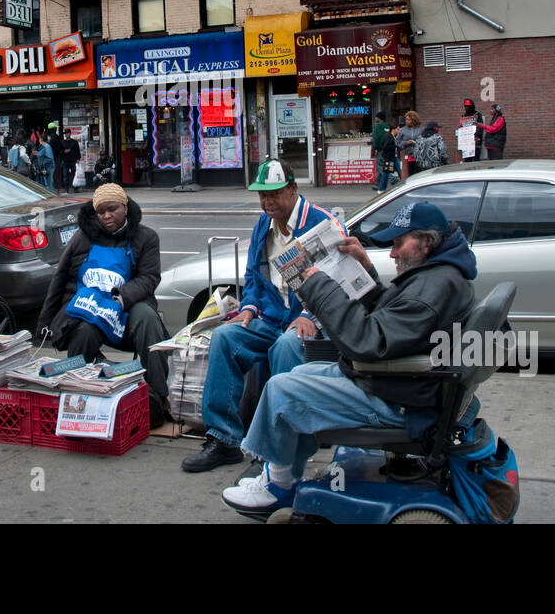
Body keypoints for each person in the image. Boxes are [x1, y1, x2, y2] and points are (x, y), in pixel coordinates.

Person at [221, 201, 477, 514]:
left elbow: (367, 342)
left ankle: (278, 487)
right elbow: (392, 320)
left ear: (425, 242)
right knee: (299, 375)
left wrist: (318, 285)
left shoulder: (434, 287)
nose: (393, 253)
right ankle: (284, 475)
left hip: (400, 399)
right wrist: (366, 269)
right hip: (403, 385)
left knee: (281, 390)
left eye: (398, 244)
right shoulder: (436, 274)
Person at [181, 158, 344, 473]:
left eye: (275, 194)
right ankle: (224, 439)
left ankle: (278, 452)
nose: (268, 202)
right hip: (272, 317)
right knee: (225, 338)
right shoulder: (262, 224)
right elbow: (253, 274)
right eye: (262, 195)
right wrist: (249, 307)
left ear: (293, 189)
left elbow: (341, 282)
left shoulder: (323, 224)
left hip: (313, 323)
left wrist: (312, 314)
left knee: (286, 346)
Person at [37, 184, 171, 428]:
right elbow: (60, 278)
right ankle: (77, 397)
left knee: (147, 319)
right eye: (101, 212)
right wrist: (46, 324)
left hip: (127, 307)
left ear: (126, 208)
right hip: (89, 309)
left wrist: (122, 299)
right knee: (84, 333)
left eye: (113, 209)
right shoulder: (82, 238)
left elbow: (149, 278)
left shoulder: (146, 237)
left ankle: (157, 396)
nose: (107, 216)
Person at [396, 111, 425, 176]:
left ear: (414, 120)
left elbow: (425, 141)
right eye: (406, 119)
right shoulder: (402, 130)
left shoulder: (421, 129)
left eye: (408, 120)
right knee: (408, 175)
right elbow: (397, 142)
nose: (406, 121)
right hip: (407, 156)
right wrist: (406, 143)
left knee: (418, 175)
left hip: (419, 156)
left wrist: (418, 143)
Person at [376, 120, 401, 192]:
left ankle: (381, 189)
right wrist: (395, 146)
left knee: (388, 173)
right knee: (386, 173)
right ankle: (381, 189)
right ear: (393, 129)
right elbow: (386, 147)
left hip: (393, 157)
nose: (398, 131)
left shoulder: (391, 136)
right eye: (397, 129)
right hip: (389, 158)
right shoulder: (389, 136)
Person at [456, 99, 483, 163]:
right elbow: (460, 127)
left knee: (475, 160)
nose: (466, 108)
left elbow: (480, 126)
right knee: (467, 160)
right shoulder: (464, 116)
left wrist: (476, 135)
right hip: (466, 143)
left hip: (474, 142)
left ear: (472, 106)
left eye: (468, 106)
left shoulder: (477, 115)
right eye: (465, 106)